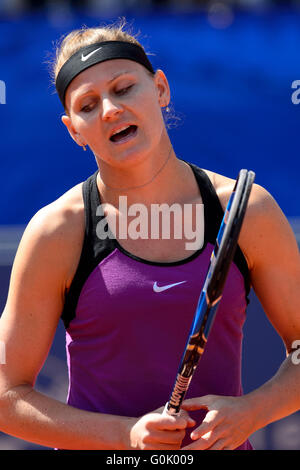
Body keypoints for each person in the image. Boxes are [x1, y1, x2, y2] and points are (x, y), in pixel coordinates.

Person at [0, 21, 299, 451]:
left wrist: (255, 411)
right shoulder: (56, 232)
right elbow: (7, 397)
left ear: (161, 89)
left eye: (124, 89)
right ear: (73, 130)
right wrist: (124, 435)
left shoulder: (246, 210)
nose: (109, 110)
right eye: (88, 105)